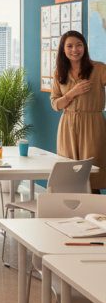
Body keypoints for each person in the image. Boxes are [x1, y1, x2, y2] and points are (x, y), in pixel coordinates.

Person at [51, 30, 106, 193]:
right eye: (69, 46)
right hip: (67, 126)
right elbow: (55, 104)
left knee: (92, 172)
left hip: (93, 125)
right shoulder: (59, 72)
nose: (75, 49)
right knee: (68, 171)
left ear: (84, 47)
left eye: (79, 45)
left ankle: (96, 215)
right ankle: (70, 215)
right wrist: (72, 93)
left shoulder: (99, 68)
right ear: (63, 49)